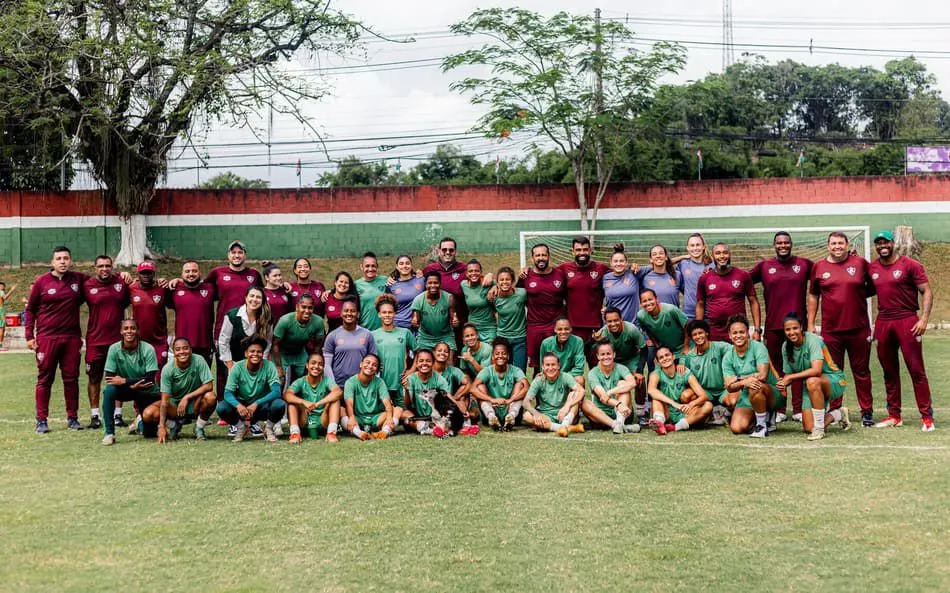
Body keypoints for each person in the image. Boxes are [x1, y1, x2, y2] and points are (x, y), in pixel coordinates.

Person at [868, 230, 935, 431]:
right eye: (879, 243)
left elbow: (926, 290)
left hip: (907, 320)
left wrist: (924, 319)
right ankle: (894, 415)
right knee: (889, 371)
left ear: (893, 243)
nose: (882, 246)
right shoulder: (872, 267)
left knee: (916, 370)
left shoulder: (910, 265)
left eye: (886, 242)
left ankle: (927, 417)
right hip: (883, 321)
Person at [807, 231, 874, 426]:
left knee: (861, 371)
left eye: (841, 243)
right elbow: (813, 296)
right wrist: (811, 324)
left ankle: (867, 412)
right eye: (834, 243)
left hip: (859, 328)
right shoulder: (819, 267)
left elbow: (873, 287)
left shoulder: (860, 263)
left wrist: (855, 294)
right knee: (834, 373)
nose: (837, 246)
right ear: (828, 246)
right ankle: (835, 410)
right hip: (831, 331)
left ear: (847, 245)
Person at [750, 232, 814, 421]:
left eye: (786, 242)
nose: (783, 245)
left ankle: (798, 409)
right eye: (779, 243)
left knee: (797, 367)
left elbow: (825, 273)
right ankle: (779, 409)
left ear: (791, 244)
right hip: (773, 325)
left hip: (797, 326)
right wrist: (710, 272)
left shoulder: (804, 264)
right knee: (776, 368)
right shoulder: (764, 266)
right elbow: (741, 279)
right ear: (774, 245)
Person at [25, 246, 88, 433]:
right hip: (47, 338)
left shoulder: (78, 279)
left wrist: (123, 276)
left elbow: (102, 281)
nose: (62, 261)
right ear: (52, 262)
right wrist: (29, 336)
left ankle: (73, 418)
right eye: (59, 258)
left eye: (66, 258)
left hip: (71, 338)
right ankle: (41, 421)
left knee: (71, 379)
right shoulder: (41, 282)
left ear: (70, 261)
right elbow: (30, 310)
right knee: (45, 379)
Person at [204, 240, 263, 397]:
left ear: (245, 255)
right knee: (224, 368)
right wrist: (178, 281)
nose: (237, 255)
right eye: (233, 252)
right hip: (224, 327)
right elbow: (199, 286)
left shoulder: (254, 274)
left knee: (248, 367)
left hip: (248, 328)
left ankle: (247, 400)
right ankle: (223, 402)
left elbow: (264, 293)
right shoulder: (217, 273)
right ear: (228, 255)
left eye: (240, 252)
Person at [777, 315, 851, 441]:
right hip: (811, 385)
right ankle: (839, 413)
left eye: (795, 328)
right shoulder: (785, 347)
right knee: (808, 427)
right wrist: (782, 383)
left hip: (834, 380)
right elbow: (788, 376)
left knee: (812, 381)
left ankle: (819, 430)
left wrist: (791, 377)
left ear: (801, 327)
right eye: (787, 329)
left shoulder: (813, 340)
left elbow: (816, 370)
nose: (792, 332)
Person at [82, 255, 129, 429]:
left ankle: (117, 415)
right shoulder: (87, 285)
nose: (104, 269)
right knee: (94, 378)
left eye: (107, 266)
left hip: (117, 341)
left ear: (112, 267)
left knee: (117, 378)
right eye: (101, 266)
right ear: (95, 268)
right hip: (95, 341)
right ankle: (95, 415)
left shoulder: (121, 283)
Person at [143, 337, 217, 442]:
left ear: (191, 349)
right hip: (175, 406)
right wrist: (161, 426)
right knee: (148, 414)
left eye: (185, 348)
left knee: (211, 397)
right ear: (173, 352)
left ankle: (199, 428)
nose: (182, 352)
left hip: (195, 403)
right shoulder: (168, 369)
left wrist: (187, 397)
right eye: (178, 349)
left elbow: (209, 385)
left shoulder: (199, 360)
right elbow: (164, 400)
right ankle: (174, 426)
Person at [100, 319, 161, 445]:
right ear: (121, 331)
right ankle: (109, 433)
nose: (129, 331)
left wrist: (125, 380)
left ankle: (139, 423)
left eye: (132, 328)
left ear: (138, 331)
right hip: (128, 389)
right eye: (126, 328)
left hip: (146, 389)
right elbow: (109, 378)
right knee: (109, 391)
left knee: (149, 434)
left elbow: (150, 378)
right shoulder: (114, 349)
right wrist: (131, 385)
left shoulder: (148, 349)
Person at [722, 315, 784, 438]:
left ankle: (761, 426)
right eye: (735, 333)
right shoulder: (728, 357)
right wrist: (743, 381)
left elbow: (762, 375)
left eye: (742, 332)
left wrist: (738, 378)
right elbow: (729, 386)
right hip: (747, 393)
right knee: (737, 428)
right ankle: (765, 417)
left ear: (747, 333)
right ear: (729, 335)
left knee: (755, 385)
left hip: (771, 392)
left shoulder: (758, 347)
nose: (738, 336)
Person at [216, 336, 285, 443]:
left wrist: (256, 403)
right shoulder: (237, 367)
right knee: (222, 408)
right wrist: (238, 406)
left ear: (263, 354)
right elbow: (227, 393)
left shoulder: (269, 366)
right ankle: (241, 427)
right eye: (252, 351)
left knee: (279, 404)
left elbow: (276, 392)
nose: (255, 354)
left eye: (259, 352)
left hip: (262, 406)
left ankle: (269, 429)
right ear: (246, 354)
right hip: (242, 406)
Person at [696, 243, 761, 342]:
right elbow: (700, 304)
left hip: (738, 331)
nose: (722, 256)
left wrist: (757, 330)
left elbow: (753, 302)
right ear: (712, 256)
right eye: (718, 253)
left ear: (730, 254)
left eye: (725, 253)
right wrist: (699, 330)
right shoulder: (704, 278)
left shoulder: (743, 275)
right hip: (714, 332)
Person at [519, 243, 565, 373]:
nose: (541, 258)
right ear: (532, 258)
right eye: (537, 255)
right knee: (538, 367)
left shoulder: (560, 274)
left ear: (549, 256)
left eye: (544, 255)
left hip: (555, 326)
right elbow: (513, 294)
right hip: (535, 327)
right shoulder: (525, 276)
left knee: (557, 364)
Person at [648, 345, 713, 434]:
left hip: (682, 411)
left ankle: (674, 427)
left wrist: (690, 405)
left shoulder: (684, 372)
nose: (665, 358)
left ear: (673, 356)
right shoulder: (656, 374)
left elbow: (704, 396)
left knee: (708, 405)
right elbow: (651, 390)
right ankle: (659, 423)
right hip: (666, 411)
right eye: (661, 357)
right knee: (656, 399)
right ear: (657, 362)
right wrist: (674, 404)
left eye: (667, 355)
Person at [372, 294, 415, 425]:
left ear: (395, 314)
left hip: (400, 383)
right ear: (379, 314)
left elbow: (418, 353)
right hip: (381, 384)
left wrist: (411, 371)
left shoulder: (405, 333)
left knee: (407, 416)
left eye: (390, 312)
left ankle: (396, 419)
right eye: (384, 312)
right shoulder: (373, 335)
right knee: (383, 415)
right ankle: (392, 420)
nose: (387, 315)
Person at [558, 236, 609, 342]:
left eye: (585, 249)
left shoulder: (601, 268)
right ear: (573, 251)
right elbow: (546, 274)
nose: (582, 253)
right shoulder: (564, 268)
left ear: (590, 251)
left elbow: (619, 273)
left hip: (595, 326)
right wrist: (526, 271)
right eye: (578, 250)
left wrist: (633, 268)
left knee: (596, 353)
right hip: (572, 326)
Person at [471, 337, 528, 431]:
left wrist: (510, 400)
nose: (500, 356)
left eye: (504, 353)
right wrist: (492, 400)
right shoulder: (487, 370)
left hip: (510, 407)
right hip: (492, 407)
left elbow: (527, 387)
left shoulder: (515, 370)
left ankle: (511, 417)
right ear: (493, 356)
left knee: (521, 385)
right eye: (497, 354)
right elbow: (472, 388)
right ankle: (491, 417)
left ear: (508, 356)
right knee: (479, 386)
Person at [681, 320, 732, 425]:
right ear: (691, 338)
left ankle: (724, 411)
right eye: (694, 334)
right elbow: (683, 362)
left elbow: (736, 350)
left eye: (700, 333)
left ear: (707, 333)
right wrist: (681, 362)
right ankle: (710, 413)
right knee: (686, 396)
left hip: (723, 390)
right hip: (705, 393)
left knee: (733, 401)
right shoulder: (689, 356)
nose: (698, 336)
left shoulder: (719, 347)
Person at [284, 352, 342, 443]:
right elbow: (287, 395)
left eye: (320, 364)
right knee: (292, 403)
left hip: (323, 421)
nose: (316, 366)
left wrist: (319, 403)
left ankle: (331, 433)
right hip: (304, 421)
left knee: (335, 401)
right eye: (313, 363)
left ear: (323, 367)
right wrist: (303, 402)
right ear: (307, 365)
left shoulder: (327, 380)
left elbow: (338, 392)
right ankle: (295, 433)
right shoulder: (301, 381)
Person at [523, 352, 586, 437]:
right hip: (546, 415)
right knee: (526, 416)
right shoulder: (538, 380)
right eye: (547, 365)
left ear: (558, 366)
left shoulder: (565, 376)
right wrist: (536, 414)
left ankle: (565, 424)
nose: (550, 368)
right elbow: (526, 402)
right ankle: (567, 428)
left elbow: (581, 391)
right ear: (543, 367)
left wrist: (567, 406)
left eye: (553, 365)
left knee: (574, 394)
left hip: (564, 414)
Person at [582, 342, 641, 434]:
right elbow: (602, 396)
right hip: (602, 416)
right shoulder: (592, 373)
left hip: (623, 412)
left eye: (608, 353)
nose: (606, 357)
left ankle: (620, 421)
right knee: (584, 403)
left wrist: (610, 392)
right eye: (602, 354)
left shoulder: (621, 368)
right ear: (598, 356)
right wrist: (618, 404)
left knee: (622, 383)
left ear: (614, 354)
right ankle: (617, 425)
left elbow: (632, 383)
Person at [423, 237, 470, 349]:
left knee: (458, 353)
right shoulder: (429, 270)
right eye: (444, 250)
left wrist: (489, 277)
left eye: (451, 250)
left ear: (455, 251)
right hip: (436, 325)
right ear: (439, 251)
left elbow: (478, 278)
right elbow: (411, 278)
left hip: (459, 323)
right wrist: (393, 276)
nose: (447, 252)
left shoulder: (464, 269)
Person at [271, 294, 326, 387]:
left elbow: (318, 345)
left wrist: (314, 361)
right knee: (280, 381)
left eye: (310, 308)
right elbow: (275, 344)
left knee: (308, 377)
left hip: (300, 352)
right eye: (303, 307)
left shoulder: (318, 321)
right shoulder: (285, 320)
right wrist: (279, 367)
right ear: (297, 307)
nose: (307, 311)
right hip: (282, 353)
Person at [168, 260, 216, 365]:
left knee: (204, 374)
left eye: (194, 271)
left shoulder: (210, 288)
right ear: (182, 274)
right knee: (183, 374)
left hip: (205, 344)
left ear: (200, 273)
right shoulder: (174, 289)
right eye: (187, 271)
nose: (191, 274)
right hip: (183, 346)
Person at [402, 348, 460, 434]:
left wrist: (461, 409)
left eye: (428, 361)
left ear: (433, 363)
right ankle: (429, 429)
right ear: (416, 364)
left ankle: (431, 428)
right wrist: (406, 390)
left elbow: (448, 397)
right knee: (403, 414)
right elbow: (406, 405)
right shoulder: (411, 379)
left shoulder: (439, 379)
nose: (424, 363)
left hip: (435, 417)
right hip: (417, 417)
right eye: (421, 361)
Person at [323, 298, 377, 389]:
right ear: (341, 313)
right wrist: (333, 386)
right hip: (339, 385)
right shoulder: (332, 335)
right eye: (346, 311)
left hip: (362, 385)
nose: (349, 313)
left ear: (358, 314)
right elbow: (327, 365)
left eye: (353, 311)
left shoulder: (367, 334)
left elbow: (374, 361)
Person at [129, 260, 171, 369]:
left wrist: (176, 280)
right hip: (138, 341)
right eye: (143, 273)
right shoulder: (131, 288)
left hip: (159, 340)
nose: (146, 275)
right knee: (140, 374)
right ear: (138, 274)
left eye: (149, 272)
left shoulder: (163, 288)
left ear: (154, 274)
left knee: (158, 374)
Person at [343, 353, 394, 440]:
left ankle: (384, 432)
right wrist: (351, 418)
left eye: (374, 365)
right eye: (367, 362)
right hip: (357, 418)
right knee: (341, 410)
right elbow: (349, 404)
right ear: (361, 364)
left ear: (376, 369)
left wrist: (389, 418)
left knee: (397, 410)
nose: (370, 366)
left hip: (376, 418)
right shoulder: (350, 382)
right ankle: (358, 433)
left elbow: (387, 402)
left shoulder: (380, 382)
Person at [411, 271, 458, 353]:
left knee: (449, 359)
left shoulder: (449, 298)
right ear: (425, 284)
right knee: (422, 359)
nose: (433, 285)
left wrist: (455, 322)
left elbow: (453, 318)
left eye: (436, 283)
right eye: (430, 283)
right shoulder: (418, 300)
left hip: (445, 337)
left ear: (440, 284)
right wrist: (414, 323)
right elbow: (415, 322)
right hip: (425, 338)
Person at [493, 267, 528, 371]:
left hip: (520, 338)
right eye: (501, 280)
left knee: (519, 370)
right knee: (503, 370)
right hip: (502, 338)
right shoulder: (494, 297)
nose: (504, 282)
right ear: (497, 282)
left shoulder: (521, 294)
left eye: (507, 279)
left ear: (512, 281)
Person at [593, 308, 648, 372]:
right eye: (609, 321)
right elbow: (597, 352)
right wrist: (598, 342)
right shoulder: (603, 332)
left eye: (616, 320)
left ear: (621, 319)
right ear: (605, 322)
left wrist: (640, 370)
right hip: (612, 360)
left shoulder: (631, 329)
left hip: (630, 359)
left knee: (637, 376)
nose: (613, 324)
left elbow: (644, 348)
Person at [538, 317, 586, 386]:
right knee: (539, 378)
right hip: (551, 376)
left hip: (570, 376)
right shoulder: (546, 343)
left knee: (580, 379)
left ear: (571, 329)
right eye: (560, 329)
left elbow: (579, 368)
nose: (563, 332)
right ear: (555, 329)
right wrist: (552, 376)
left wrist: (562, 377)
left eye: (566, 329)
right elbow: (542, 367)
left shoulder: (578, 341)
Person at [676, 233, 713, 321]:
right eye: (692, 245)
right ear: (687, 248)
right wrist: (682, 257)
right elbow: (665, 262)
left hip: (709, 313)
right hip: (689, 313)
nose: (695, 248)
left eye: (698, 245)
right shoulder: (683, 264)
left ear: (703, 247)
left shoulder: (712, 265)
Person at [602, 244, 640, 322]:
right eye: (615, 261)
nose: (618, 264)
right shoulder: (605, 278)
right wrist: (604, 308)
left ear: (626, 262)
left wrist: (635, 266)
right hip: (613, 324)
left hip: (632, 323)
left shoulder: (634, 273)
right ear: (611, 263)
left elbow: (653, 267)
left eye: (621, 261)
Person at [461, 259, 496, 340]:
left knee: (489, 347)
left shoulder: (489, 283)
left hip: (489, 328)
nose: (473, 273)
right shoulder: (463, 285)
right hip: (472, 328)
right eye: (470, 271)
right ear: (466, 273)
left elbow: (503, 284)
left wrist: (495, 286)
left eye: (476, 271)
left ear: (481, 272)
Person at [386, 254, 424, 330]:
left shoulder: (421, 280)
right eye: (401, 263)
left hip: (419, 326)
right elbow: (389, 306)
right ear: (397, 266)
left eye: (407, 263)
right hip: (399, 325)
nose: (404, 266)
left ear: (411, 265)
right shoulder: (391, 284)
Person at [355, 252, 388, 331]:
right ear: (361, 267)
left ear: (377, 266)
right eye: (367, 266)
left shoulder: (385, 280)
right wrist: (330, 292)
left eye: (373, 266)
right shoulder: (356, 285)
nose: (370, 269)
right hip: (364, 329)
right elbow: (341, 291)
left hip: (383, 329)